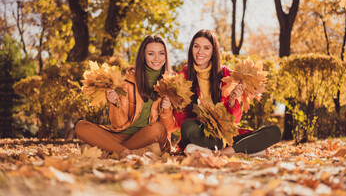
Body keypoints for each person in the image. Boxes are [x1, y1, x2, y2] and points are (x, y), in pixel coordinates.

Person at [174, 29, 281, 157]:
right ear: (191, 49)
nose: (200, 52)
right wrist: (204, 122)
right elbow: (180, 118)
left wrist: (232, 102)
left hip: (224, 135)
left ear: (213, 51)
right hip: (199, 133)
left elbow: (234, 121)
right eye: (196, 46)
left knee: (274, 132)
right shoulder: (183, 76)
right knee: (188, 126)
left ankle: (219, 152)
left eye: (206, 48)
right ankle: (243, 150)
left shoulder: (226, 75)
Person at [75, 34, 177, 156]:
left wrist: (166, 110)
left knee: (157, 128)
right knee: (81, 126)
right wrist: (114, 103)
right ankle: (124, 152)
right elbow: (119, 124)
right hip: (124, 137)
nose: (157, 58)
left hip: (150, 136)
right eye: (151, 54)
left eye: (161, 53)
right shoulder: (127, 80)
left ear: (166, 56)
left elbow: (167, 129)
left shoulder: (171, 82)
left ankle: (109, 150)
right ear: (143, 56)